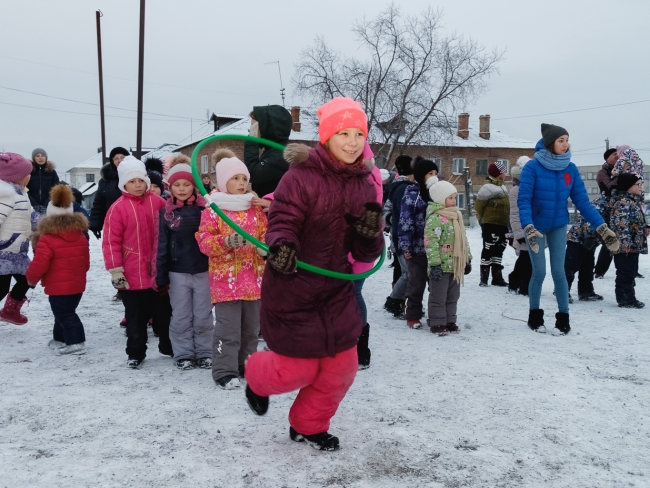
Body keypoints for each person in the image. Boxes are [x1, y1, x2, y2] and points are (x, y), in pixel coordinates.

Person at [244, 97, 384, 451]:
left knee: (342, 369)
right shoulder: (300, 176)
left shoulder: (365, 184)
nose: (353, 142)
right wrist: (282, 247)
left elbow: (365, 253)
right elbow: (282, 221)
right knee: (296, 370)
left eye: (359, 134)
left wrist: (370, 234)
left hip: (336, 290)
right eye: (344, 133)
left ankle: (308, 426)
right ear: (327, 136)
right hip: (294, 287)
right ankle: (257, 376)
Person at [518, 123, 620, 335]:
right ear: (550, 143)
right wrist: (527, 226)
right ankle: (534, 316)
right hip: (535, 228)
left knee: (559, 272)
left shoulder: (570, 169)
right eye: (561, 140)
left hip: (557, 225)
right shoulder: (532, 167)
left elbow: (582, 202)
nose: (566, 144)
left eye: (567, 140)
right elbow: (524, 200)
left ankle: (563, 318)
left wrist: (602, 227)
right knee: (539, 272)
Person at [196, 149, 267, 389]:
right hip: (226, 283)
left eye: (244, 178)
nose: (241, 183)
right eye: (235, 178)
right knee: (227, 330)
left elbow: (265, 233)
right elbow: (204, 241)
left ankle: (247, 366)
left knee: (251, 330)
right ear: (223, 181)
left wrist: (264, 247)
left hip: (254, 280)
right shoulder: (213, 209)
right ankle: (224, 371)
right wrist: (226, 242)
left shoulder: (254, 209)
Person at [102, 156, 166, 369]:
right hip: (131, 274)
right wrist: (115, 271)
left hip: (157, 272)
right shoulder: (117, 208)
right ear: (123, 184)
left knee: (164, 313)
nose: (138, 185)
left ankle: (168, 345)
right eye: (132, 181)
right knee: (135, 317)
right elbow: (111, 241)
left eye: (141, 180)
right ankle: (136, 352)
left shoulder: (158, 203)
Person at [157, 155, 212, 369]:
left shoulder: (206, 210)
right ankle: (183, 354)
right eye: (177, 184)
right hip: (177, 272)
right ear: (170, 187)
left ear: (194, 186)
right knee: (181, 316)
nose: (181, 189)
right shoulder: (165, 214)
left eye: (186, 184)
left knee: (203, 315)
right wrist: (161, 274)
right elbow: (162, 245)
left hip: (203, 270)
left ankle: (206, 352)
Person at [26, 185, 90, 355]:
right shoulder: (80, 235)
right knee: (63, 312)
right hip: (77, 284)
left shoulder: (47, 238)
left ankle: (76, 342)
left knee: (65, 314)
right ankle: (60, 338)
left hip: (58, 286)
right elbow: (86, 261)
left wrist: (31, 279)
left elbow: (40, 263)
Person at [424, 177, 472, 336]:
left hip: (455, 265)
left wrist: (467, 259)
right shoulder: (435, 218)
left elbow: (463, 241)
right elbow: (430, 243)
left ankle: (450, 321)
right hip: (441, 266)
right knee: (438, 296)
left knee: (453, 296)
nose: (454, 201)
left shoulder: (456, 216)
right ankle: (437, 322)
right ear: (440, 199)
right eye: (450, 198)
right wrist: (435, 264)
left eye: (455, 197)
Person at [351, 142, 383, 368]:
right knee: (348, 295)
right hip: (346, 248)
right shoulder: (367, 174)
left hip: (358, 248)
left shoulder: (368, 177)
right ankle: (353, 349)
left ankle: (360, 349)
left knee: (352, 294)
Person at [398, 157, 438, 329]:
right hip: (417, 248)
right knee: (416, 284)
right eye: (430, 173)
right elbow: (406, 221)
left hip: (436, 248)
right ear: (421, 175)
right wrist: (406, 246)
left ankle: (437, 315)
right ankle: (412, 315)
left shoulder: (438, 194)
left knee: (436, 285)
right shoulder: (412, 195)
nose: (434, 176)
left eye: (435, 173)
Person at [0, 152, 38, 325]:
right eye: (27, 173)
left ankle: (10, 311)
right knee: (2, 288)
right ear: (17, 177)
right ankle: (10, 311)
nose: (30, 176)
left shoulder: (22, 194)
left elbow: (32, 217)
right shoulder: (6, 196)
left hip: (18, 251)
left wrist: (49, 227)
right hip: (4, 251)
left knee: (29, 279)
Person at [608, 174, 649, 308]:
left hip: (632, 245)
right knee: (625, 272)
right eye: (638, 185)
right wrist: (625, 243)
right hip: (624, 246)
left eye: (641, 184)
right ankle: (625, 299)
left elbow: (633, 220)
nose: (641, 187)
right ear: (628, 187)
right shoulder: (622, 202)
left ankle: (629, 296)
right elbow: (621, 224)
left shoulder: (632, 201)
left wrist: (644, 227)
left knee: (630, 271)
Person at [383, 155, 415, 317]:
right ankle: (395, 301)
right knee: (408, 273)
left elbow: (388, 212)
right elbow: (399, 214)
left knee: (404, 271)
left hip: (400, 235)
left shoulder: (399, 186)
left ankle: (402, 302)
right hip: (403, 237)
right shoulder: (405, 188)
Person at [564, 196, 609, 302]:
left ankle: (586, 291)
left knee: (587, 266)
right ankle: (562, 290)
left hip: (591, 241)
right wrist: (589, 235)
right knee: (571, 265)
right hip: (579, 237)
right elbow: (589, 218)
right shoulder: (603, 203)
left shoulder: (614, 203)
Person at [244, 105, 293, 197]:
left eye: (254, 127)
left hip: (275, 206)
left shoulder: (282, 156)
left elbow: (252, 173)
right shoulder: (272, 151)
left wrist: (252, 140)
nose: (251, 132)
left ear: (267, 128)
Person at [475, 161, 510, 287]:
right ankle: (484, 277)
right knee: (488, 248)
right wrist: (482, 221)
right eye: (504, 172)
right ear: (499, 174)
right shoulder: (487, 188)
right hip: (490, 224)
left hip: (502, 224)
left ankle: (497, 277)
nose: (506, 174)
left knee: (499, 248)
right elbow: (479, 206)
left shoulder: (503, 187)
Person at [89, 147, 130, 240]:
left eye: (122, 157)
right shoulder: (105, 180)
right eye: (116, 158)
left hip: (133, 221)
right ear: (112, 161)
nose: (119, 160)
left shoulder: (136, 176)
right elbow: (99, 204)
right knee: (113, 246)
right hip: (113, 221)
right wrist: (95, 224)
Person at [507, 157, 532, 295]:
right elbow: (515, 214)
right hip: (523, 229)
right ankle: (522, 285)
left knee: (527, 258)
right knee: (526, 258)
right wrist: (520, 233)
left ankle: (517, 282)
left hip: (533, 228)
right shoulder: (516, 191)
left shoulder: (531, 188)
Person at [594, 148, 620, 279]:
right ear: (607, 157)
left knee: (626, 238)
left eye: (618, 154)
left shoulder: (625, 170)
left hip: (622, 208)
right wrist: (620, 174)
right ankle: (599, 270)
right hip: (608, 210)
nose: (617, 156)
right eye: (614, 154)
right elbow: (609, 188)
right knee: (608, 240)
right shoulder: (602, 173)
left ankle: (631, 268)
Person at [27, 148, 60, 215]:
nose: (40, 158)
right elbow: (25, 188)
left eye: (43, 155)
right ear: (34, 158)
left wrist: (47, 202)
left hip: (49, 205)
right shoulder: (29, 172)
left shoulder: (52, 172)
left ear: (46, 158)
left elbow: (56, 188)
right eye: (37, 156)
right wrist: (33, 203)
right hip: (31, 206)